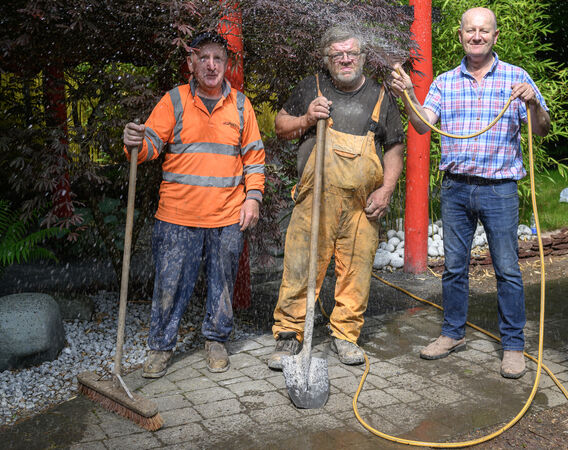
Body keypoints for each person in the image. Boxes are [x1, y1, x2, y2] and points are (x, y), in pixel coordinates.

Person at [389, 7, 551, 379]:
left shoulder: (517, 77)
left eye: (484, 31)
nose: (476, 36)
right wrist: (410, 94)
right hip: (456, 189)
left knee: (507, 270)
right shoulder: (445, 82)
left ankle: (513, 345)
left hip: (500, 190)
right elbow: (422, 125)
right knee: (454, 267)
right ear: (460, 36)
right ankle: (452, 334)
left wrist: (533, 102)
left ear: (495, 36)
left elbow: (541, 129)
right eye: (470, 30)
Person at [122, 31, 266, 377]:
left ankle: (216, 340)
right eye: (204, 58)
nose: (211, 65)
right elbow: (148, 148)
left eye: (218, 58)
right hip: (177, 216)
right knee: (169, 285)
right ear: (191, 63)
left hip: (227, 215)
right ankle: (161, 346)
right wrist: (133, 144)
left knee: (222, 285)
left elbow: (254, 159)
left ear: (227, 65)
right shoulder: (174, 100)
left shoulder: (241, 106)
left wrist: (253, 198)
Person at [267, 25, 405, 369]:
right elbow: (280, 127)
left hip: (362, 206)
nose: (345, 59)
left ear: (362, 57)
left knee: (356, 273)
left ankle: (345, 335)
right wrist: (306, 118)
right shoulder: (311, 88)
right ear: (326, 59)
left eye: (351, 53)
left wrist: (386, 189)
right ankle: (289, 334)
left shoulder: (381, 96)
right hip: (314, 201)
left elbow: (394, 148)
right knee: (300, 267)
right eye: (337, 54)